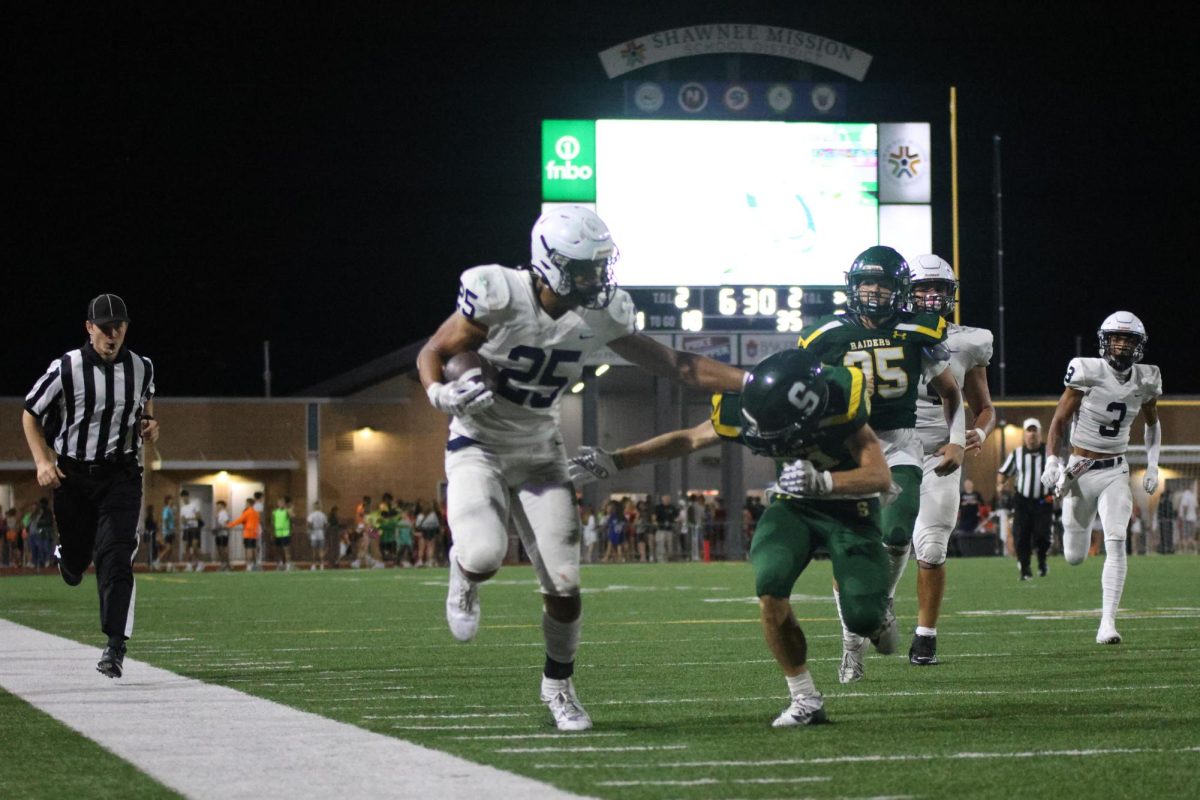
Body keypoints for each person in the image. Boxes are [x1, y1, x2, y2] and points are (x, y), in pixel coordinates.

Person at [416, 205, 745, 731]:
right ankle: (464, 575)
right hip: (477, 442)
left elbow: (678, 365)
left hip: (541, 449)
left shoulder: (602, 312)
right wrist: (440, 392)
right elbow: (434, 350)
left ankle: (558, 688)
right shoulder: (496, 290)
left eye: (600, 266)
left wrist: (749, 382)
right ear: (548, 264)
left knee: (565, 584)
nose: (596, 278)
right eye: (584, 268)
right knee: (482, 553)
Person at [570, 349, 894, 726]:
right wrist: (617, 459)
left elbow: (880, 476)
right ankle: (804, 698)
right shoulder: (748, 407)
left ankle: (876, 618)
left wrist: (827, 481)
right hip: (794, 505)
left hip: (851, 508)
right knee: (769, 586)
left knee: (861, 617)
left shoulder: (839, 398)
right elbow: (689, 440)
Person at [797, 246, 965, 683]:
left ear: (899, 290)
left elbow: (951, 393)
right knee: (847, 555)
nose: (874, 291)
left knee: (895, 533)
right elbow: (805, 396)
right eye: (868, 283)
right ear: (853, 287)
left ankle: (880, 602)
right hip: (847, 448)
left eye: (884, 284)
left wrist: (958, 441)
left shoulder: (918, 330)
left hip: (899, 445)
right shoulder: (825, 336)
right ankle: (852, 649)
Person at [21, 292, 159, 678]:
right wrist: (42, 461)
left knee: (116, 555)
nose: (112, 335)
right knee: (79, 562)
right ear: (89, 328)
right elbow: (30, 413)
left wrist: (150, 424)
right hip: (74, 476)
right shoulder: (67, 367)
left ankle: (115, 646)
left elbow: (146, 410)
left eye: (119, 326)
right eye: (105, 327)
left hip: (121, 475)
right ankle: (70, 555)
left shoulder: (142, 367)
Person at [1041, 311, 1162, 644]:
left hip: (1115, 470)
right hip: (1079, 470)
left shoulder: (1147, 378)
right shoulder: (1086, 370)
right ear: (1105, 341)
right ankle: (1075, 540)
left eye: (1129, 339)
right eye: (1116, 338)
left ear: (1139, 345)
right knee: (1074, 555)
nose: (1122, 345)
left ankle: (1107, 622)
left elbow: (1152, 423)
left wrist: (1152, 465)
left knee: (1117, 540)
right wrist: (1053, 459)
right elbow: (1059, 420)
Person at [906, 255, 996, 666]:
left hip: (942, 452)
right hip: (891, 448)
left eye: (937, 289)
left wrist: (979, 431)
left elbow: (985, 407)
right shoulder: (887, 335)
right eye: (922, 288)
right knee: (885, 545)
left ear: (950, 295)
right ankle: (870, 621)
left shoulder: (969, 340)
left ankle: (925, 634)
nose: (929, 296)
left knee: (932, 545)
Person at [998, 419, 1053, 580]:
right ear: (1024, 434)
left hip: (1044, 500)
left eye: (1035, 431)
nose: (1032, 434)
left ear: (1040, 433)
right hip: (1022, 500)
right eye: (1029, 431)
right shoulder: (1017, 454)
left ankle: (1042, 561)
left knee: (1042, 535)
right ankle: (1025, 568)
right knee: (1021, 535)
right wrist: (1000, 485)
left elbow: (1059, 472)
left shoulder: (1049, 453)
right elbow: (1003, 472)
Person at [227, 497, 261, 571]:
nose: (245, 504)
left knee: (248, 549)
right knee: (253, 549)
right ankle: (255, 564)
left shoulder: (247, 512)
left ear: (248, 503)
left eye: (246, 503)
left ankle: (249, 565)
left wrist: (229, 525)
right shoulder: (256, 512)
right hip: (254, 533)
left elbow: (239, 520)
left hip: (248, 533)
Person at [179, 489, 203, 572]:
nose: (184, 498)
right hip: (186, 529)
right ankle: (189, 565)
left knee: (195, 546)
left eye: (185, 497)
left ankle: (200, 563)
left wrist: (188, 519)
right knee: (186, 547)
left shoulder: (194, 505)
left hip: (194, 528)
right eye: (182, 497)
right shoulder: (182, 508)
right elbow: (182, 519)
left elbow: (199, 516)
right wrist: (184, 521)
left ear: (188, 496)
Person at [272, 496, 294, 570]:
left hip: (285, 533)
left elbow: (292, 516)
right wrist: (272, 533)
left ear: (284, 504)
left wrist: (288, 509)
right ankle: (280, 563)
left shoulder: (287, 511)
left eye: (282, 503)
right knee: (278, 550)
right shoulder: (275, 512)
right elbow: (273, 522)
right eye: (279, 503)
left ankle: (288, 564)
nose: (280, 504)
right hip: (277, 533)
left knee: (286, 549)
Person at [653, 494, 675, 563]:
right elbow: (654, 517)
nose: (666, 500)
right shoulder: (658, 507)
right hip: (661, 529)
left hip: (669, 529)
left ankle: (669, 558)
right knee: (660, 544)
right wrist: (655, 523)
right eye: (665, 499)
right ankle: (661, 559)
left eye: (668, 499)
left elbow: (676, 516)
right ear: (662, 500)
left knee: (670, 545)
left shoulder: (672, 507)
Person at [1176, 482, 1197, 554]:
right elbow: (1196, 508)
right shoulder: (1193, 495)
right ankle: (1194, 550)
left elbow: (1185, 506)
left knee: (1185, 536)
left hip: (1187, 518)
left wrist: (1184, 516)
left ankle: (1184, 550)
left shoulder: (1185, 495)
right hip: (1193, 518)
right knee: (1191, 536)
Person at [307, 500, 328, 570]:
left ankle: (314, 565)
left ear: (314, 507)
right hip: (321, 533)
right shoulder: (323, 515)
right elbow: (326, 524)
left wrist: (310, 529)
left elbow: (309, 524)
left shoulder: (312, 515)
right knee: (321, 550)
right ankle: (322, 564)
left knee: (314, 550)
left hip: (314, 533)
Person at [1155, 487, 1175, 555]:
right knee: (1169, 535)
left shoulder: (1161, 502)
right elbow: (1171, 512)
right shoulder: (1169, 502)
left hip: (1163, 521)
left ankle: (1164, 549)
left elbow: (1159, 512)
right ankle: (1169, 548)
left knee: (1163, 535)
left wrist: (1160, 518)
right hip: (1168, 521)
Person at [214, 499, 232, 571]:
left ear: (222, 506)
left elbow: (226, 523)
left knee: (223, 550)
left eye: (218, 505)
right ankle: (224, 564)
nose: (217, 507)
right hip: (219, 533)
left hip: (223, 533)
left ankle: (226, 564)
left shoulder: (223, 513)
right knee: (219, 549)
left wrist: (219, 528)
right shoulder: (219, 513)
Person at [160, 494, 177, 570]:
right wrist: (168, 529)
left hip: (172, 531)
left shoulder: (171, 510)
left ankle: (169, 564)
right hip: (167, 532)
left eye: (172, 500)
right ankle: (157, 560)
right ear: (167, 501)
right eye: (171, 500)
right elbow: (165, 520)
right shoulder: (166, 509)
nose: (172, 501)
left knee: (171, 549)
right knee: (168, 548)